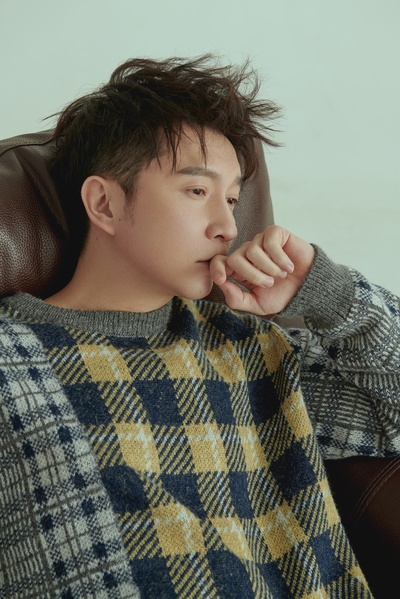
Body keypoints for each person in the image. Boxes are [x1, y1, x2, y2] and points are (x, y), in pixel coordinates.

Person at [0, 56, 399, 599]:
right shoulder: (12, 362)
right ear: (104, 203)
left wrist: (327, 293)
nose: (228, 226)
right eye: (196, 191)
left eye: (232, 199)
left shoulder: (255, 351)